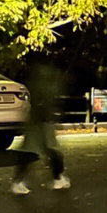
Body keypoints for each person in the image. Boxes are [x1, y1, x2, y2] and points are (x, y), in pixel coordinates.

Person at [11, 55, 69, 194]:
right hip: (42, 119)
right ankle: (57, 178)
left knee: (34, 149)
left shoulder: (39, 75)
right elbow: (46, 96)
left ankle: (19, 181)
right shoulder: (48, 77)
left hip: (38, 118)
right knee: (49, 149)